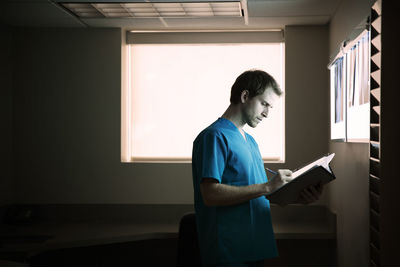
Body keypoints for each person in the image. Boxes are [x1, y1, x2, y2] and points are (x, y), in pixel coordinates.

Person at [191, 69, 323, 267]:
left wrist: (298, 197)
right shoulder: (214, 136)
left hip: (254, 247)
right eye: (264, 104)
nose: (267, 113)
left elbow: (259, 194)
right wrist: (267, 187)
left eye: (270, 107)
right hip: (227, 252)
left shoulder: (250, 141)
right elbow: (210, 194)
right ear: (245, 96)